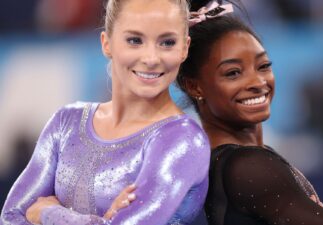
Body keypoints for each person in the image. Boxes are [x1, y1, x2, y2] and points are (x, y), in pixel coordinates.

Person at [0, 0, 210, 224]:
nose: (151, 58)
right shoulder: (67, 121)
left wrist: (46, 213)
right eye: (135, 40)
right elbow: (10, 216)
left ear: (184, 48)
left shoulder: (182, 139)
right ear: (107, 43)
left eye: (167, 42)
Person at [176, 0, 323, 224]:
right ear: (194, 86)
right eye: (233, 73)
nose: (258, 82)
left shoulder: (234, 161)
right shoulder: (248, 167)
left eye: (263, 66)